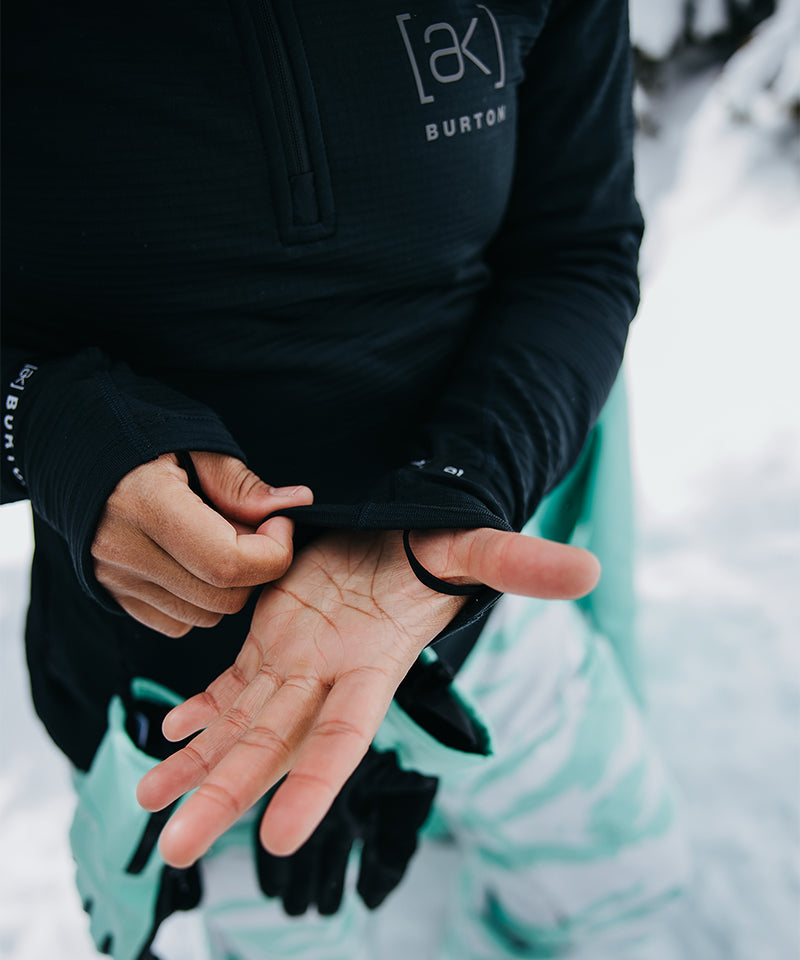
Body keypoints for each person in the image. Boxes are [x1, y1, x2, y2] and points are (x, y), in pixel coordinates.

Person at [1, 0, 689, 957]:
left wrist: (461, 492)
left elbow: (579, 249)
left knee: (635, 905)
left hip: (466, 598)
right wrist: (51, 426)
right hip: (192, 711)